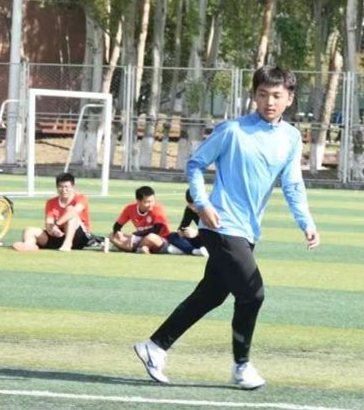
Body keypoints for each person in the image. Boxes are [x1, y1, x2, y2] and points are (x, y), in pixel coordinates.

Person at [134, 65, 319, 390]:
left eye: (276, 96)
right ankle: (241, 365)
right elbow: (195, 164)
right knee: (253, 293)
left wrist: (306, 221)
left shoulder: (290, 137)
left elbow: (292, 184)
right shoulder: (232, 130)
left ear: (289, 99)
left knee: (211, 295)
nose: (269, 102)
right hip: (219, 225)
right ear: (254, 96)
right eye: (263, 94)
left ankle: (155, 346)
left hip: (247, 230)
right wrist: (203, 204)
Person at [11, 172, 94, 252]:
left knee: (70, 211)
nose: (64, 190)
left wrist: (57, 224)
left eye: (66, 187)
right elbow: (49, 222)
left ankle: (67, 244)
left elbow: (73, 212)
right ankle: (29, 245)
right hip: (59, 235)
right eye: (60, 187)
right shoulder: (51, 202)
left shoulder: (81, 198)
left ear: (73, 187)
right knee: (29, 230)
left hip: (78, 237)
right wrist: (52, 230)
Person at [110, 186, 170, 254]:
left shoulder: (158, 208)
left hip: (159, 239)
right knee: (112, 235)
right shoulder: (130, 208)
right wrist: (118, 232)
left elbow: (156, 230)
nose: (151, 204)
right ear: (138, 201)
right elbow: (117, 225)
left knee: (150, 237)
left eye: (152, 201)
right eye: (147, 202)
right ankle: (141, 248)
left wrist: (135, 235)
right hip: (140, 238)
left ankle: (133, 249)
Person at [164, 190, 209, 257]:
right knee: (173, 236)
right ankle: (194, 251)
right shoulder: (189, 209)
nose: (194, 209)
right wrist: (182, 232)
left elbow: (217, 230)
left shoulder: (212, 207)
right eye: (191, 206)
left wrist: (197, 233)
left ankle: (184, 249)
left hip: (212, 238)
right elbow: (183, 226)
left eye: (195, 205)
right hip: (200, 239)